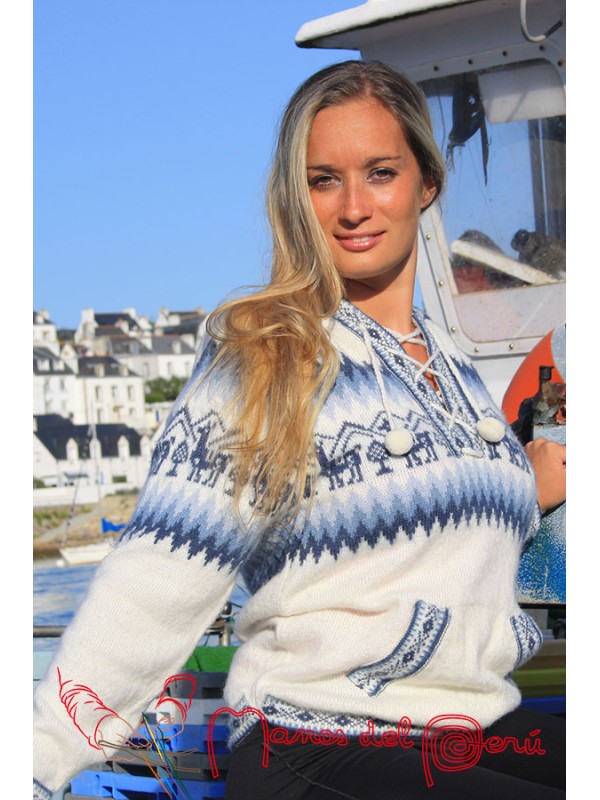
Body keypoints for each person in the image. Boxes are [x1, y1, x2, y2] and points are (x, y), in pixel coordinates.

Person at [33, 61, 566, 800]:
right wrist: (38, 761)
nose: (353, 207)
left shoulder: (450, 365)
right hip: (319, 739)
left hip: (461, 724)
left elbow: (432, 539)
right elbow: (160, 572)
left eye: (380, 172)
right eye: (324, 181)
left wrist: (524, 493)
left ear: (426, 183)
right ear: (296, 197)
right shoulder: (269, 354)